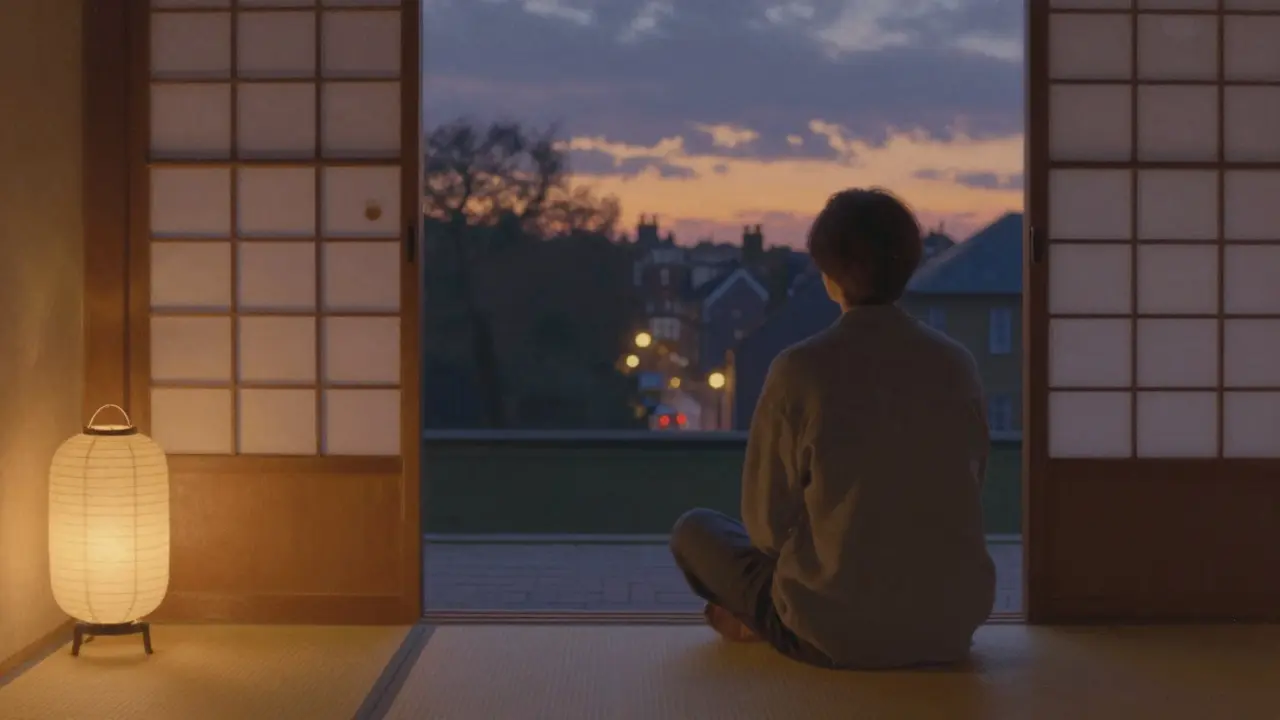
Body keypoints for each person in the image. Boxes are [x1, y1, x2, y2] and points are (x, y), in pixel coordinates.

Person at [669, 188, 996, 670]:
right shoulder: (956, 364)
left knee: (696, 530)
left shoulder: (801, 369)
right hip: (946, 626)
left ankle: (762, 623)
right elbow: (970, 482)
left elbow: (766, 529)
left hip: (835, 629)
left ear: (827, 275)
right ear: (909, 266)